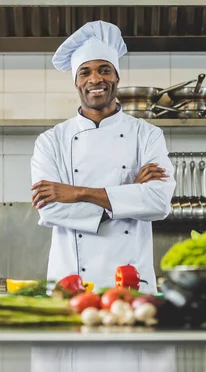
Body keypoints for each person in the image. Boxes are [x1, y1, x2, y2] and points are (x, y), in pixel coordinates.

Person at [30, 20, 176, 294]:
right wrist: (130, 194)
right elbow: (49, 208)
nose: (95, 79)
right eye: (85, 72)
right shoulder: (51, 141)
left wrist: (78, 192)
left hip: (134, 284)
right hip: (72, 283)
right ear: (76, 81)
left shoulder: (147, 135)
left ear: (117, 77)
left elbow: (159, 202)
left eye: (104, 70)